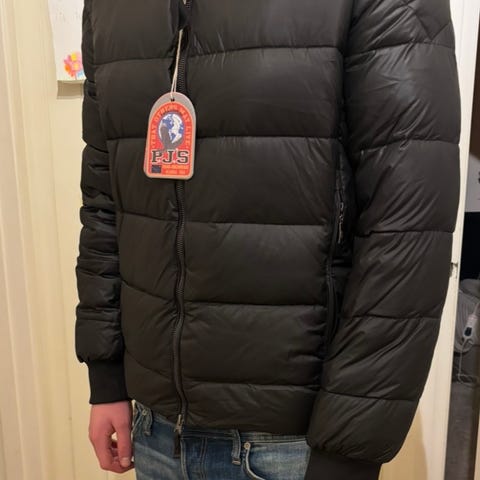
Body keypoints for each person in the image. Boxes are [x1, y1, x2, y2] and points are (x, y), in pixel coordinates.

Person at [75, 0, 461, 479]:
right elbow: (105, 198)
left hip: (294, 448)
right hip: (156, 432)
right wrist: (106, 374)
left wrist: (348, 452)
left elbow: (409, 224)